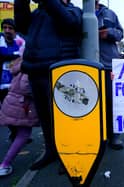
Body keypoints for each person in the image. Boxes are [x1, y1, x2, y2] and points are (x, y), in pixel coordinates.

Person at [14, 0, 83, 170]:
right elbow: (22, 25)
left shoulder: (73, 11)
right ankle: (51, 151)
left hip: (58, 73)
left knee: (63, 118)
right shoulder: (38, 13)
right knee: (45, 118)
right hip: (36, 71)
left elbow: (68, 24)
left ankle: (67, 154)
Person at [0, 57, 39, 176]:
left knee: (19, 133)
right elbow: (26, 87)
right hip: (22, 105)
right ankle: (4, 165)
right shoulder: (30, 66)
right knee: (23, 134)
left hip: (12, 100)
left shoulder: (21, 63)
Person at [95, 0, 124, 150]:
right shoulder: (80, 14)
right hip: (88, 65)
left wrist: (108, 33)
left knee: (111, 101)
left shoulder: (110, 14)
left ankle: (114, 135)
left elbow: (121, 33)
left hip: (108, 65)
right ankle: (97, 136)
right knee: (93, 103)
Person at [0, 18, 26, 142]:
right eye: (4, 28)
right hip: (2, 82)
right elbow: (2, 54)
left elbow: (25, 54)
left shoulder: (21, 41)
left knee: (19, 109)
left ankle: (20, 134)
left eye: (10, 28)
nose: (7, 30)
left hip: (17, 82)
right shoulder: (0, 40)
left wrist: (13, 55)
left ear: (15, 30)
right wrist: (16, 54)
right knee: (6, 109)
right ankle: (15, 133)